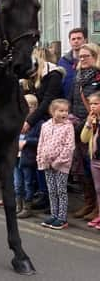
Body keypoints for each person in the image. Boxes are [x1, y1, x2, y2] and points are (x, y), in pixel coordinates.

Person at [21, 47, 65, 210]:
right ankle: (42, 194)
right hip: (39, 121)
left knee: (52, 164)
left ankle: (54, 203)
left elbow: (47, 101)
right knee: (39, 160)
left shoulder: (53, 75)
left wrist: (29, 122)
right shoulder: (32, 77)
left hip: (51, 122)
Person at [68, 43, 100, 221]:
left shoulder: (98, 76)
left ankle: (97, 207)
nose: (82, 59)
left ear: (95, 56)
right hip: (78, 124)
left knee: (93, 167)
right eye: (80, 56)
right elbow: (72, 100)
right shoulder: (78, 76)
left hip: (93, 126)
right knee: (82, 169)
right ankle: (89, 203)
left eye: (86, 56)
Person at [37, 99, 75, 229]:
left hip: (61, 165)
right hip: (47, 164)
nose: (65, 113)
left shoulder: (68, 126)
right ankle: (54, 215)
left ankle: (62, 218)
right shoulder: (45, 125)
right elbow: (41, 143)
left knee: (61, 191)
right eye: (61, 110)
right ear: (53, 111)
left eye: (66, 111)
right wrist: (41, 158)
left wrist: (58, 162)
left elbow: (69, 146)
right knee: (51, 190)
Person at [15, 94, 43, 218]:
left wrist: (27, 142)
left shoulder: (39, 123)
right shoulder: (17, 119)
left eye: (30, 106)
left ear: (35, 108)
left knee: (28, 183)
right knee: (17, 183)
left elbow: (41, 140)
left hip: (28, 157)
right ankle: (18, 205)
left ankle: (27, 207)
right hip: (15, 157)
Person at [80, 91, 100, 230]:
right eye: (91, 103)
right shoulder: (92, 119)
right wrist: (88, 124)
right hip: (95, 159)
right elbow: (84, 139)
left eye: (96, 104)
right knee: (98, 189)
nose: (92, 106)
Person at [58, 27, 87, 98]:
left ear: (85, 40)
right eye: (73, 39)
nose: (76, 41)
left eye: (79, 38)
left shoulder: (90, 60)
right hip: (66, 102)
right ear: (70, 42)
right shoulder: (62, 61)